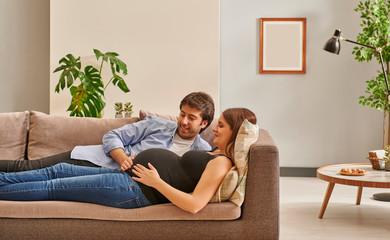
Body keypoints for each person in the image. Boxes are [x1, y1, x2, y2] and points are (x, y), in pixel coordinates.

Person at [0, 108, 257, 214]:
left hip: (136, 190)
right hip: (130, 178)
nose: (214, 130)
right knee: (58, 171)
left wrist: (156, 182)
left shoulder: (222, 162)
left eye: (221, 126)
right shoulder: (212, 151)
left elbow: (194, 204)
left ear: (234, 131)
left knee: (53, 187)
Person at [0, 92, 215, 172]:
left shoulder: (201, 153)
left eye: (191, 118)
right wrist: (123, 159)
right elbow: (112, 136)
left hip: (113, 181)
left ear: (204, 124)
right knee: (26, 168)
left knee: (38, 179)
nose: (183, 121)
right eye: (182, 114)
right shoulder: (157, 124)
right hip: (94, 160)